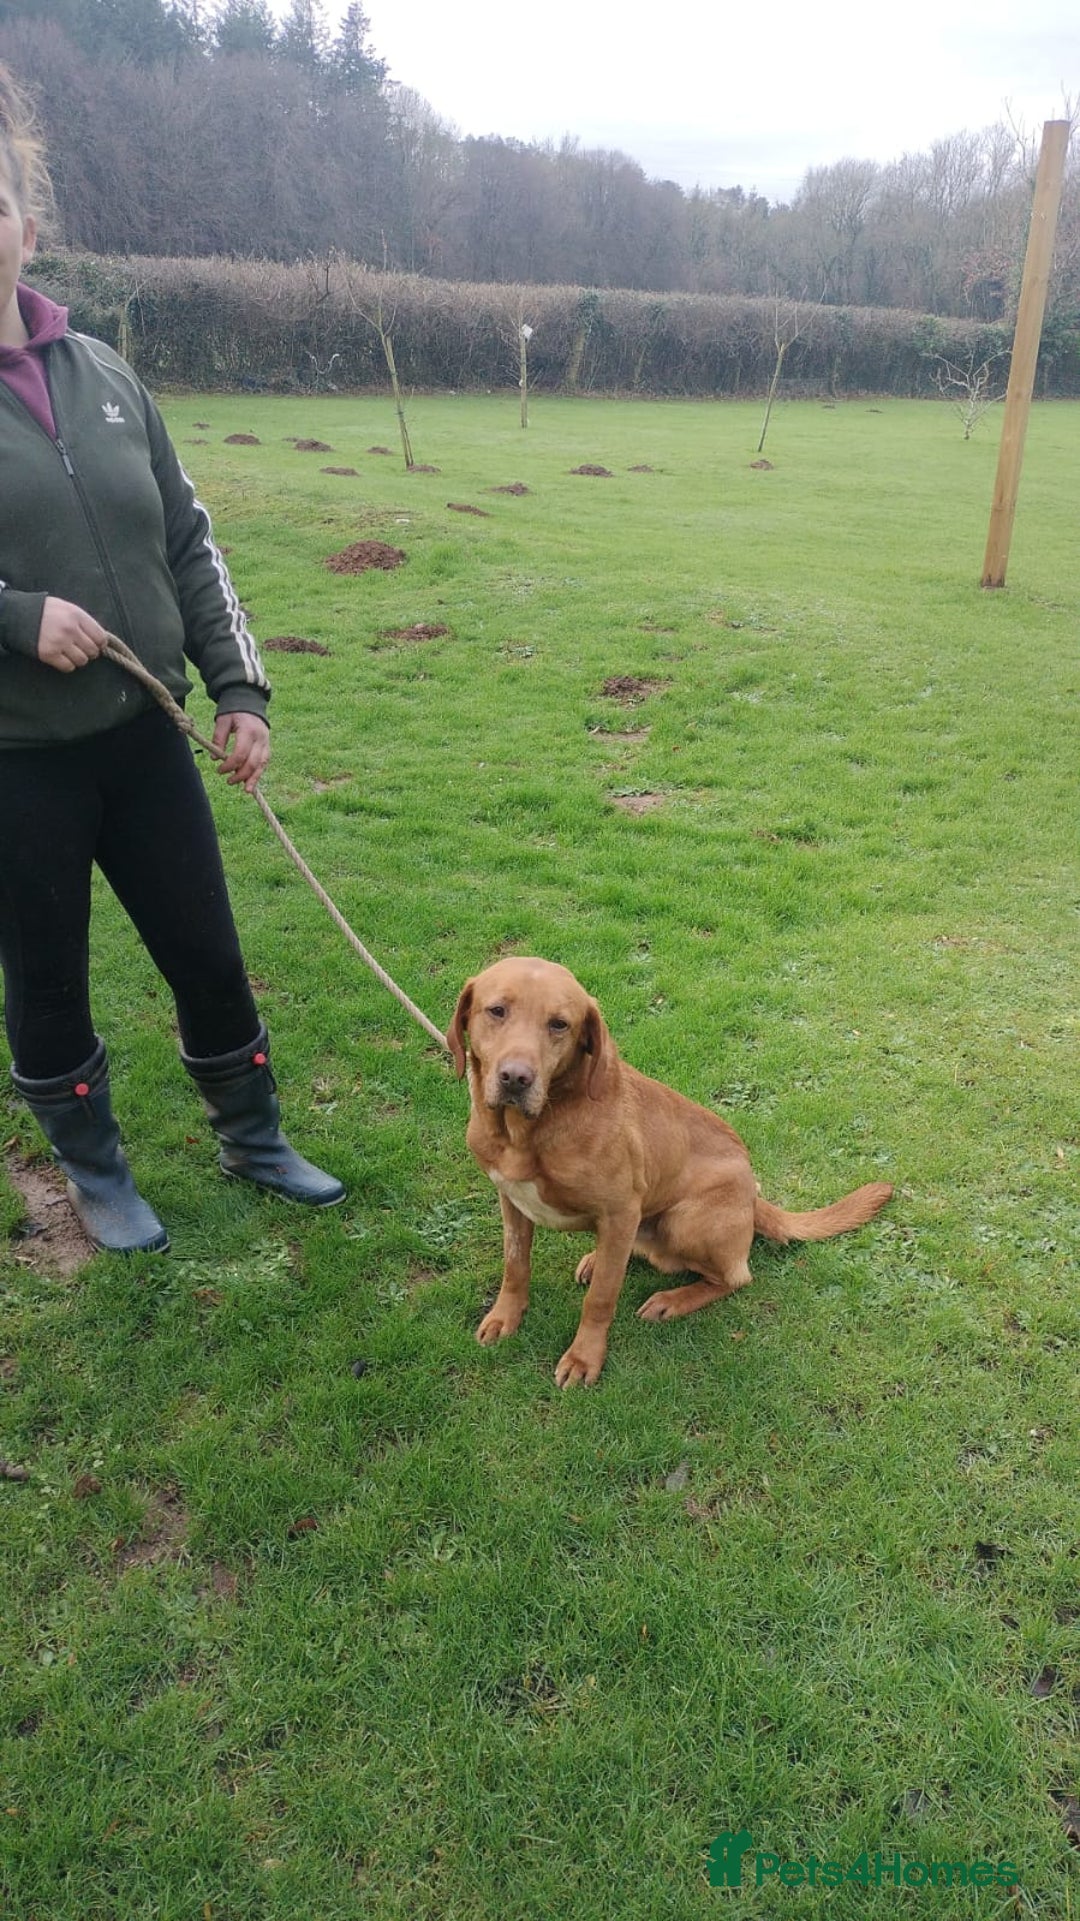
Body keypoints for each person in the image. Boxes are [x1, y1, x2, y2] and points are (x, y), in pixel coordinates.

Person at [0, 64, 344, 1253]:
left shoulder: (105, 375)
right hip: (18, 762)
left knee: (207, 946)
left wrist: (240, 688)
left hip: (147, 741)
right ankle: (96, 1174)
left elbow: (190, 539)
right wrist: (12, 615)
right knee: (48, 984)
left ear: (26, 229)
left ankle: (254, 1137)